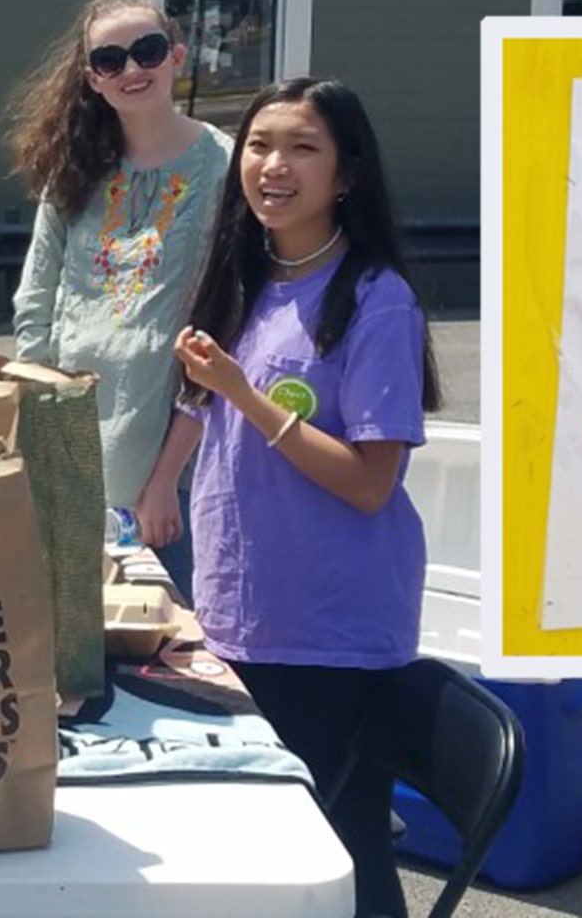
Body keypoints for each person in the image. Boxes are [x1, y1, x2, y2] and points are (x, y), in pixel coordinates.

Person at [172, 78, 442, 918]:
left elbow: (371, 484)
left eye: (301, 147)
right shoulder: (246, 277)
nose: (272, 166)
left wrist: (246, 395)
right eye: (258, 145)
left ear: (348, 175)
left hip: (328, 631)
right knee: (259, 851)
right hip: (239, 615)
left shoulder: (375, 299)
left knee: (342, 848)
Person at [6, 0, 231, 601]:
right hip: (68, 454)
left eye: (147, 51)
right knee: (74, 632)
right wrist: (42, 437)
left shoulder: (226, 169)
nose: (132, 70)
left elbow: (223, 327)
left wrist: (166, 478)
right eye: (111, 59)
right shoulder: (74, 166)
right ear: (92, 79)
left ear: (177, 56)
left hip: (171, 464)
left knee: (174, 637)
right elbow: (37, 299)